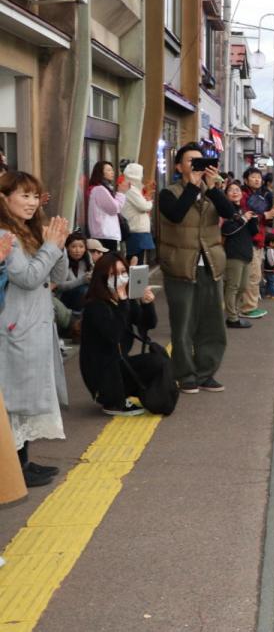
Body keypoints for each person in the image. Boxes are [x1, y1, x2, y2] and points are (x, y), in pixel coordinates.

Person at [0, 171, 70, 488]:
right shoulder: (5, 234)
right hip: (17, 328)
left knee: (24, 399)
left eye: (34, 196)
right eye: (23, 195)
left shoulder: (26, 231)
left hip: (33, 326)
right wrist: (51, 246)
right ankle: (14, 468)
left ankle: (22, 463)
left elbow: (59, 274)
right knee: (15, 399)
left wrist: (58, 244)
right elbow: (27, 277)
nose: (30, 202)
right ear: (4, 198)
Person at [157, 143, 238, 395]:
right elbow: (176, 215)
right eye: (191, 162)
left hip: (210, 265)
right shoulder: (168, 193)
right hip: (180, 266)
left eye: (200, 162)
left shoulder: (212, 191)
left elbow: (230, 213)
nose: (196, 167)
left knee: (212, 323)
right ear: (179, 166)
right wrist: (192, 186)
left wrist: (213, 188)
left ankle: (206, 372)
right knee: (183, 324)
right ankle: (185, 374)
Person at [79, 253, 157, 416]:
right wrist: (123, 303)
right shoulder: (95, 306)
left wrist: (147, 304)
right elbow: (113, 334)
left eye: (123, 272)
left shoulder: (124, 300)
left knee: (157, 362)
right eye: (113, 274)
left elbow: (148, 324)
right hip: (101, 370)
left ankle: (138, 397)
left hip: (118, 364)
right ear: (103, 277)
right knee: (115, 364)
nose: (120, 278)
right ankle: (112, 401)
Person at [220, 182, 258, 330]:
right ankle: (232, 318)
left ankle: (235, 312)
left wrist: (253, 220)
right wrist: (243, 219)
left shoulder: (244, 210)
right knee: (233, 286)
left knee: (242, 287)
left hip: (246, 253)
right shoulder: (226, 212)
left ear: (242, 194)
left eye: (237, 190)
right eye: (231, 190)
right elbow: (226, 230)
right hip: (233, 254)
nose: (235, 192)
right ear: (226, 194)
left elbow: (252, 232)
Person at [240, 167, 274, 320]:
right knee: (253, 275)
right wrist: (267, 214)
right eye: (253, 177)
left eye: (259, 177)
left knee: (254, 274)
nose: (257, 180)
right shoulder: (244, 196)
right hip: (250, 240)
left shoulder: (258, 195)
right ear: (246, 180)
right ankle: (248, 308)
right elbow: (249, 216)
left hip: (257, 240)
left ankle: (248, 305)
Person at [85, 160, 126, 253]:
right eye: (108, 170)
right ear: (101, 173)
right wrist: (121, 193)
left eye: (112, 170)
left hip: (104, 233)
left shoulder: (102, 188)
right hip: (104, 234)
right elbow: (114, 208)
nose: (112, 172)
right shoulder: (100, 189)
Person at [120, 163, 155, 265]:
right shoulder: (131, 190)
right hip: (136, 230)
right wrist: (149, 201)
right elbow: (143, 206)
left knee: (137, 259)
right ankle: (134, 280)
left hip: (137, 229)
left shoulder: (133, 189)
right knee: (135, 260)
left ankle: (135, 279)